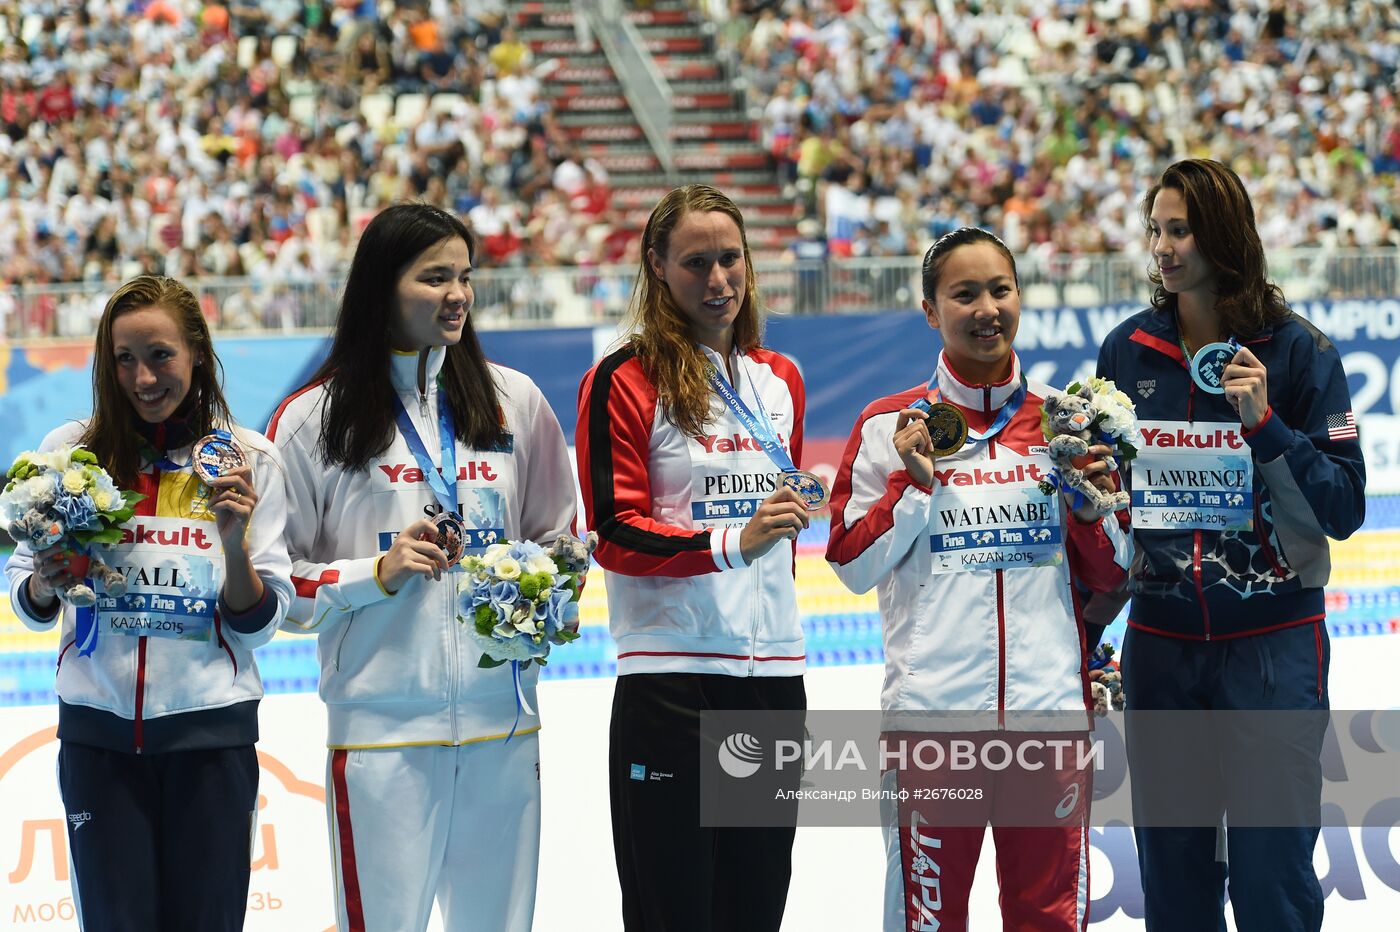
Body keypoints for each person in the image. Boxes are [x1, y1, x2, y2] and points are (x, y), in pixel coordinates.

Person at [267, 203, 576, 932]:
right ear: (381, 288)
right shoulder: (313, 420)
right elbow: (280, 587)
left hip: (505, 730)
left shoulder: (515, 401)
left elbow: (562, 539)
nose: (457, 294)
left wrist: (547, 586)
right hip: (382, 736)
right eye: (434, 277)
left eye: (464, 276)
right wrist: (375, 575)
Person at [825, 228, 1132, 932]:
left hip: (1048, 723)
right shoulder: (886, 428)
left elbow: (1116, 566)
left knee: (1050, 920)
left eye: (1000, 289)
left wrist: (1088, 510)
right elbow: (847, 564)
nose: (987, 307)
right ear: (930, 310)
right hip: (934, 730)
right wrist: (913, 486)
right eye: (964, 294)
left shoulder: (1068, 422)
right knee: (928, 921)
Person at [1097, 159, 1366, 932]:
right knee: (1175, 887)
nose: (1162, 247)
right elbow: (1111, 507)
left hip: (1274, 646)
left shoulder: (1300, 353)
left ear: (1223, 235)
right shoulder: (1128, 351)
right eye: (1156, 229)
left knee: (1271, 883)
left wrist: (1268, 425)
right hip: (1163, 645)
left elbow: (1345, 507)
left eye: (1179, 229)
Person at [3, 275, 294, 930]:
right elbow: (25, 589)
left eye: (160, 355)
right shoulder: (70, 453)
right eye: (124, 359)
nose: (142, 378)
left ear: (196, 351)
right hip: (98, 740)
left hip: (210, 742)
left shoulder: (251, 462)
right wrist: (46, 580)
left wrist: (233, 542)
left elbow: (261, 619)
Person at [576, 184, 810, 932]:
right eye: (697, 263)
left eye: (731, 259)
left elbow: (785, 522)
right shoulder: (624, 377)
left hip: (773, 678)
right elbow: (612, 530)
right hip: (672, 683)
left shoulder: (781, 378)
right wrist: (729, 544)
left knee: (755, 907)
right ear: (657, 268)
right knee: (674, 912)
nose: (719, 281)